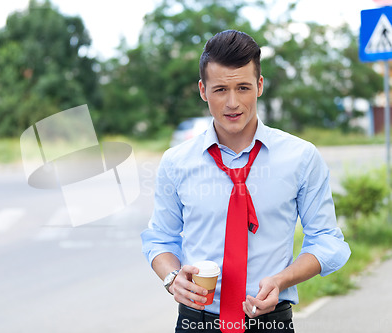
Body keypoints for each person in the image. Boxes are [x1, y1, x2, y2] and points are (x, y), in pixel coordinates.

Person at [140, 30, 351, 333]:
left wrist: (282, 280)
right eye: (220, 90)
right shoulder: (176, 163)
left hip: (270, 323)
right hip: (196, 323)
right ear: (203, 90)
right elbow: (160, 238)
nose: (232, 103)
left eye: (243, 87)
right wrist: (173, 278)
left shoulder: (301, 157)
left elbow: (328, 241)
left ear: (259, 86)